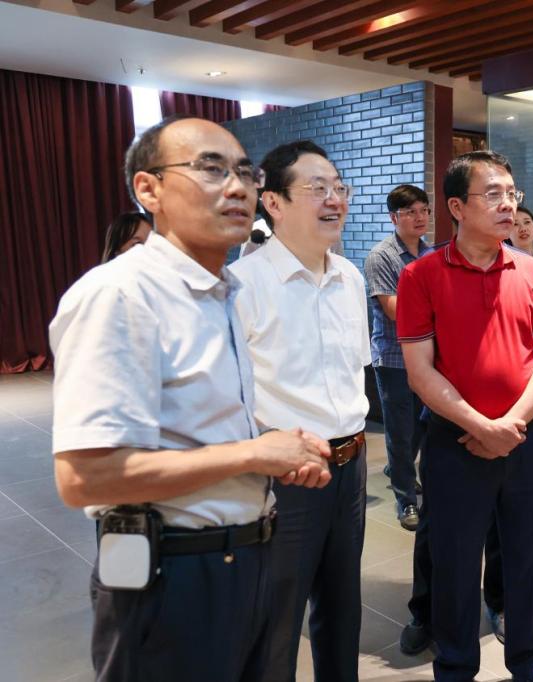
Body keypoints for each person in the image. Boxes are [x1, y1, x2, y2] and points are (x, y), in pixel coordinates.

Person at [49, 116, 332, 682]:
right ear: (148, 189)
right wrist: (254, 455)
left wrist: (274, 451)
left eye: (245, 173)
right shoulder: (121, 293)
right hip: (168, 570)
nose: (237, 187)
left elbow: (199, 428)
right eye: (211, 169)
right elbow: (85, 478)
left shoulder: (222, 291)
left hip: (244, 555)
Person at [397, 150, 533, 682]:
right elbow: (420, 371)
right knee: (454, 565)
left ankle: (532, 669)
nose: (508, 205)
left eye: (512, 194)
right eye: (493, 194)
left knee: (529, 563)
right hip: (454, 442)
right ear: (456, 207)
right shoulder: (421, 275)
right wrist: (481, 426)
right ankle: (455, 668)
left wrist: (511, 425)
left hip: (525, 438)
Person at [229, 140, 369, 682]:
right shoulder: (244, 285)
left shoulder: (350, 278)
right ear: (274, 202)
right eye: (317, 188)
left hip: (351, 465)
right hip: (286, 475)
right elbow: (232, 398)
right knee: (276, 617)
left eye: (339, 187)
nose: (334, 199)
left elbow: (354, 373)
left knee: (343, 607)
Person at [365, 184, 431, 531]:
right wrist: (435, 303)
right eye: (410, 212)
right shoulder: (382, 256)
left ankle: (398, 467)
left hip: (428, 356)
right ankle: (405, 499)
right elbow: (393, 310)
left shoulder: (430, 253)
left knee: (422, 422)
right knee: (400, 430)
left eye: (423, 210)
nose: (419, 218)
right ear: (394, 218)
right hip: (393, 357)